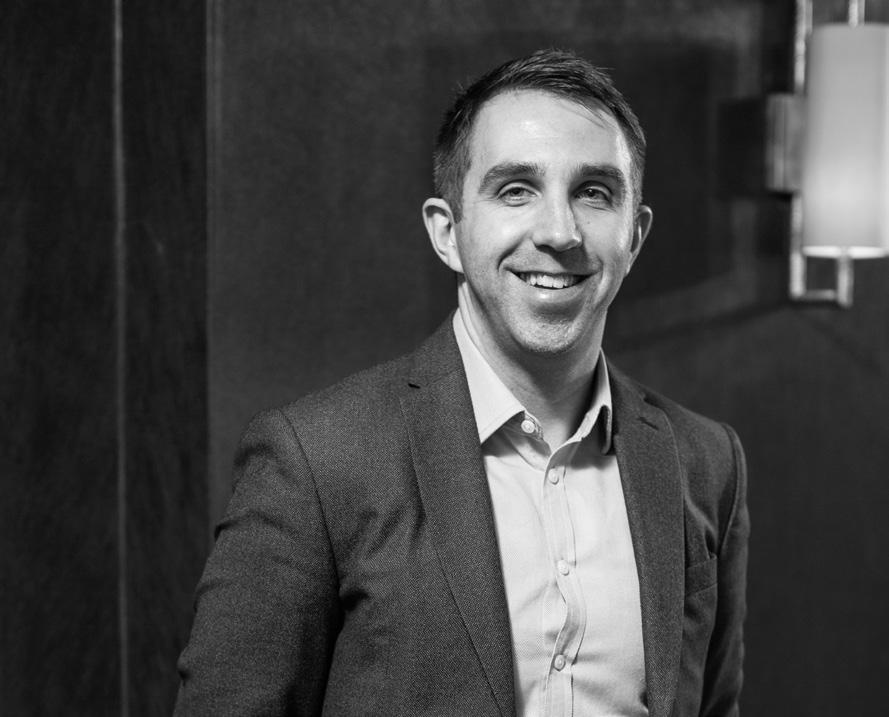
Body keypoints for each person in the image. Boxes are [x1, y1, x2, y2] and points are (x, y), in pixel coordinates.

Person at [175, 48, 749, 717]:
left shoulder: (705, 461)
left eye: (594, 192)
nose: (559, 231)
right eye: (515, 190)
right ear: (447, 232)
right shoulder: (317, 460)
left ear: (635, 236)